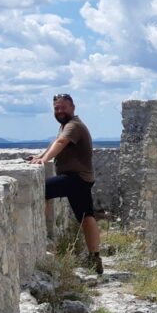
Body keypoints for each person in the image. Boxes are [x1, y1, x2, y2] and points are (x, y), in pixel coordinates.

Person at [29, 93, 102, 274]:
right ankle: (95, 258)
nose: (59, 111)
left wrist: (44, 160)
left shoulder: (73, 126)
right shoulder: (66, 126)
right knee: (86, 216)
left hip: (75, 178)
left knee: (42, 190)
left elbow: (61, 142)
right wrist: (40, 156)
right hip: (82, 178)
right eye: (56, 108)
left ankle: (43, 237)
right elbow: (57, 142)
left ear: (72, 107)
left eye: (63, 107)